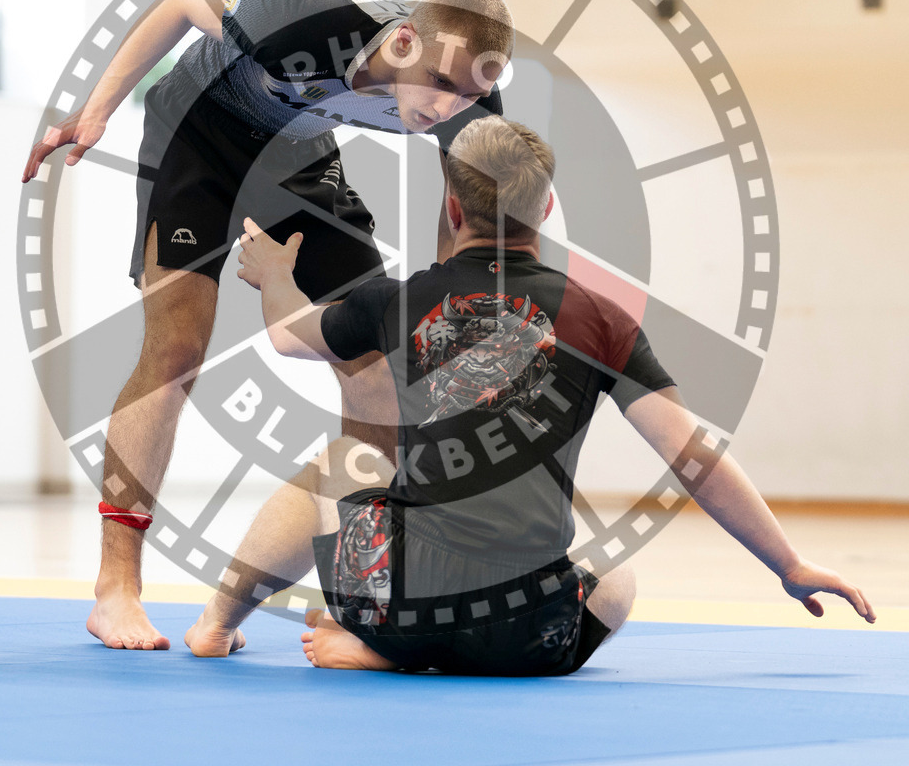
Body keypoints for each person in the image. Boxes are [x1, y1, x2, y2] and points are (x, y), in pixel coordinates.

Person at [184, 116, 875, 674]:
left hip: (404, 617)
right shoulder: (603, 319)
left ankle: (224, 628)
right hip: (529, 639)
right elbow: (693, 455)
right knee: (616, 579)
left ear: (454, 209)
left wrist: (275, 273)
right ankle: (392, 647)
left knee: (340, 468)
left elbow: (287, 335)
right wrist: (788, 564)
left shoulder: (400, 300)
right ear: (545, 206)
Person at [21, 0, 514, 650]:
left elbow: (466, 209)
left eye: (469, 93)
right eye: (438, 81)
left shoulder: (471, 104)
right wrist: (99, 108)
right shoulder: (302, 18)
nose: (447, 105)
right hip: (195, 134)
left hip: (295, 156)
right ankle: (116, 588)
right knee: (176, 349)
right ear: (402, 42)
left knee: (371, 353)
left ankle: (356, 592)